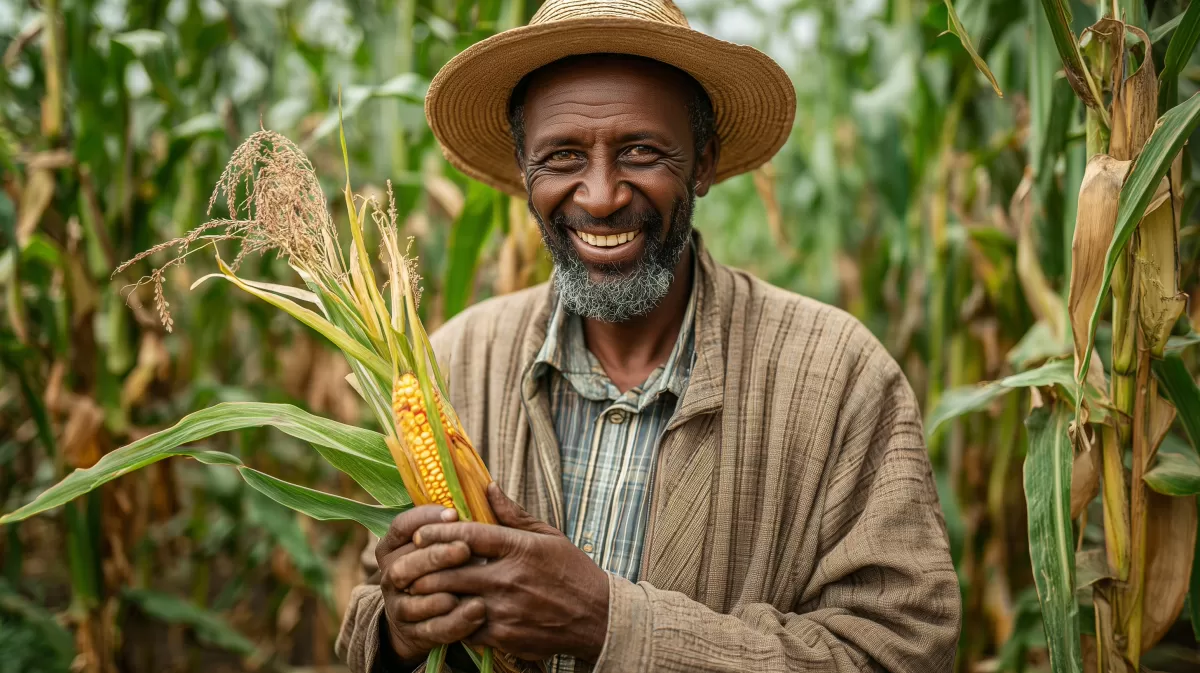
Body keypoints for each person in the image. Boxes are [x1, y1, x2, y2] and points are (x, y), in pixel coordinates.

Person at [336, 1, 961, 671]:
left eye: (640, 150)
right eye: (563, 156)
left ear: (704, 164)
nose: (601, 196)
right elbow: (365, 609)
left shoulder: (841, 379)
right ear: (524, 170)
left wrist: (610, 620)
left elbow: (901, 650)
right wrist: (399, 629)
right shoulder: (450, 367)